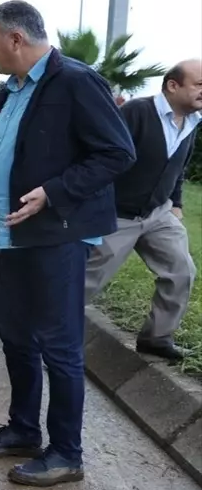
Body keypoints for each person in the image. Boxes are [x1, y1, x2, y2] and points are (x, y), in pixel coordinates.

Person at [0, 0, 135, 487]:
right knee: (15, 336)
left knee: (59, 345)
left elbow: (116, 153)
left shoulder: (74, 80)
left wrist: (53, 193)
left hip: (57, 235)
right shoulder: (11, 90)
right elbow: (17, 149)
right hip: (14, 233)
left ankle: (66, 452)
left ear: (14, 39)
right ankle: (24, 430)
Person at [85, 59, 200, 362]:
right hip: (117, 215)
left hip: (158, 214)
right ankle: (47, 333)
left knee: (181, 271)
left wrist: (175, 204)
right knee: (86, 280)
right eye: (199, 85)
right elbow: (104, 157)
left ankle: (156, 338)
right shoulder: (137, 112)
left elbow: (178, 167)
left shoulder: (192, 121)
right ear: (173, 85)